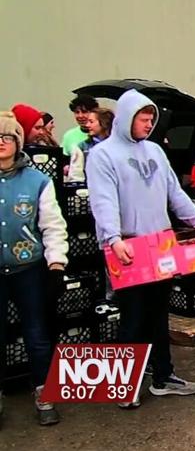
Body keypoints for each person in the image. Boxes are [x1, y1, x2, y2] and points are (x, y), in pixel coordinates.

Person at [86, 89, 195, 407]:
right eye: (143, 118)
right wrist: (113, 239)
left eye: (152, 119)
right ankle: (124, 385)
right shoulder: (103, 155)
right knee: (133, 318)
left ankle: (164, 376)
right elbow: (103, 201)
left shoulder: (155, 151)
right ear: (128, 118)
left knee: (158, 315)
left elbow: (174, 193)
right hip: (128, 247)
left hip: (161, 245)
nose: (149, 124)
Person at [0, 115, 68, 426]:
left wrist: (56, 264)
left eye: (7, 137)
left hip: (28, 270)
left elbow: (52, 225)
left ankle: (43, 392)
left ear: (18, 142)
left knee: (37, 334)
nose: (1, 143)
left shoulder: (37, 180)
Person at [67, 107, 114, 183]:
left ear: (104, 123)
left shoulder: (117, 147)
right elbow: (76, 177)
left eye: (91, 122)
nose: (87, 125)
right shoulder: (81, 147)